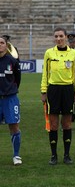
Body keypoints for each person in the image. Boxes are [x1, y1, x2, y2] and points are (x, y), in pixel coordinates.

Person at [41, 27, 75, 165]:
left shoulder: (73, 54)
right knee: (53, 124)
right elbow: (45, 73)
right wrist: (43, 91)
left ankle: (67, 155)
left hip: (68, 90)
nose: (58, 39)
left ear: (65, 37)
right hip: (53, 90)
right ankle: (53, 155)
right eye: (56, 36)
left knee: (67, 123)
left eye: (61, 36)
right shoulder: (49, 53)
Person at [0, 35, 22, 165]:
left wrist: (11, 91)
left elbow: (17, 79)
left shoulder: (12, 61)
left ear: (6, 45)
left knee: (14, 127)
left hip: (10, 99)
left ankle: (16, 155)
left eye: (2, 42)